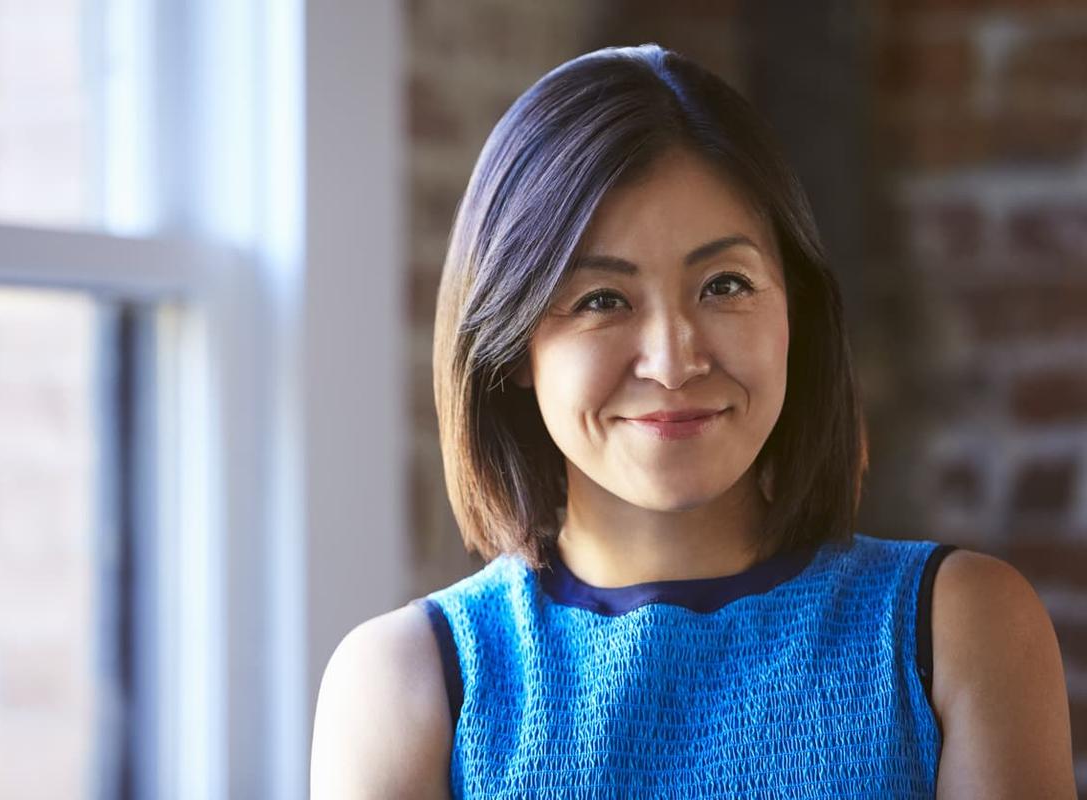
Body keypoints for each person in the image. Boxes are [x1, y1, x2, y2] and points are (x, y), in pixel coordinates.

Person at [310, 44, 1076, 798]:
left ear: (795, 315)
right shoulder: (407, 686)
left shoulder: (958, 634)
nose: (673, 362)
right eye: (602, 300)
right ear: (513, 347)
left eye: (725, 284)